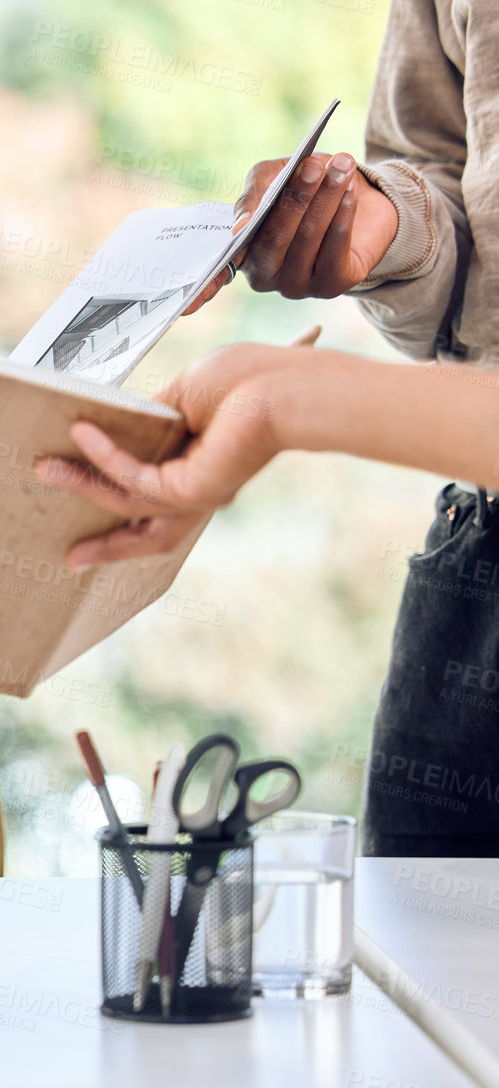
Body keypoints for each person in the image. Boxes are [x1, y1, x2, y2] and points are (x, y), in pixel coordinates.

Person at [42, 0, 499, 857]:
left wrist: (287, 396)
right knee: (416, 970)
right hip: (480, 564)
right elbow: (443, 179)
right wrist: (386, 224)